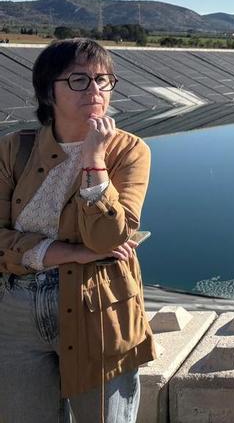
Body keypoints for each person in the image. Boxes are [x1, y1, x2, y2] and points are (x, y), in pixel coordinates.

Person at [0, 38, 154, 422]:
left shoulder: (128, 151)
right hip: (17, 312)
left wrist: (94, 158)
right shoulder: (14, 149)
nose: (96, 90)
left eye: (103, 80)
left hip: (99, 308)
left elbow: (107, 238)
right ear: (47, 91)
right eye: (79, 80)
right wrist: (72, 253)